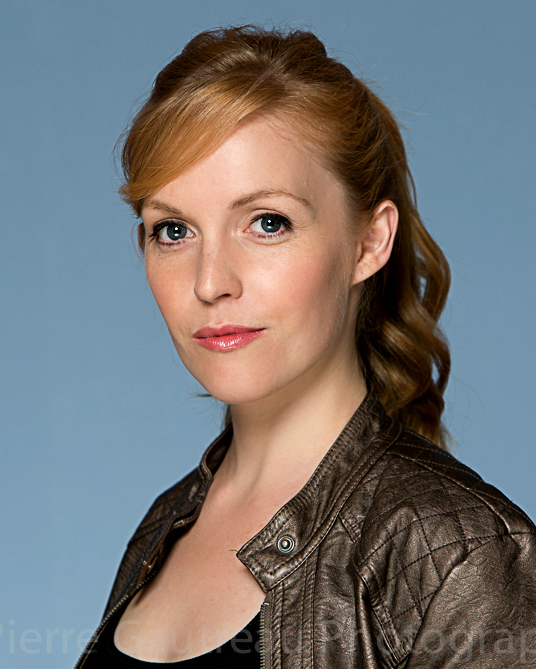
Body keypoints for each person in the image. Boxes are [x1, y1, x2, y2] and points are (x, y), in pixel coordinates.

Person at [75, 25, 536, 668]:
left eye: (268, 223)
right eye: (173, 230)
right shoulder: (164, 526)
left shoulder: (461, 556)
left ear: (369, 243)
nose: (210, 282)